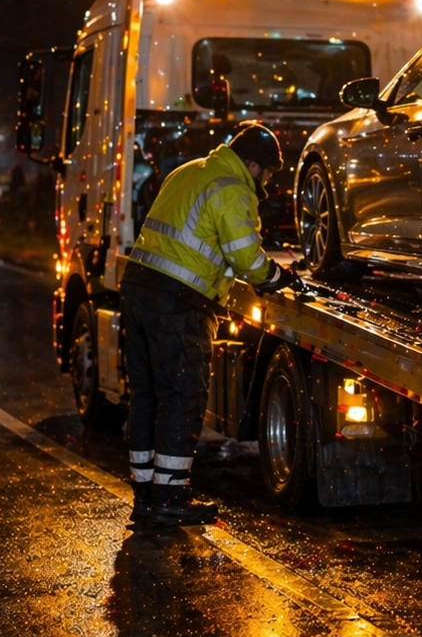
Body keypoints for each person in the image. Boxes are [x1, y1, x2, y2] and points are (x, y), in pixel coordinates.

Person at [121, 122, 301, 525]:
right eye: (268, 172)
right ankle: (170, 497)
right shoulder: (233, 190)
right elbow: (248, 262)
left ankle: (145, 495)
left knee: (147, 395)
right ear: (252, 164)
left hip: (137, 288)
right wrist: (280, 277)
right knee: (182, 396)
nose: (268, 181)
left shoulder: (188, 170)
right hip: (178, 303)